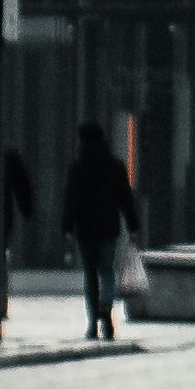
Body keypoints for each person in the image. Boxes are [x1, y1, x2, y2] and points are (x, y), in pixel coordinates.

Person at [61, 122, 135, 344]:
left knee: (91, 275)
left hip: (85, 228)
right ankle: (106, 307)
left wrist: (67, 226)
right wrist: (134, 226)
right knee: (107, 271)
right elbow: (125, 198)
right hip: (108, 227)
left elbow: (70, 199)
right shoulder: (115, 166)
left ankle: (93, 322)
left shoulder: (77, 167)